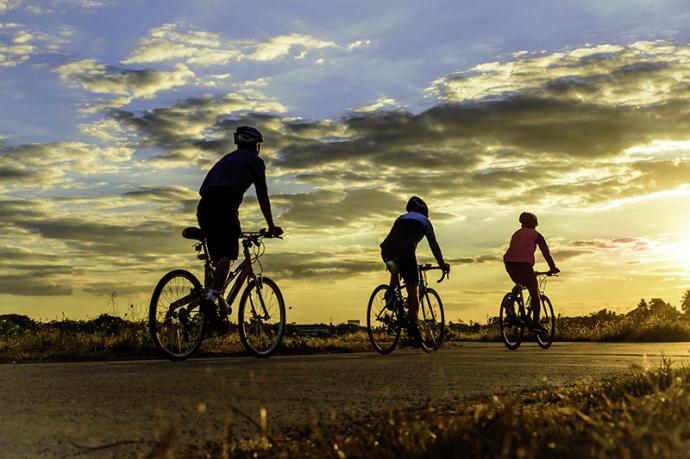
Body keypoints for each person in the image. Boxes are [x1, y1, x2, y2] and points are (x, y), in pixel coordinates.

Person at [196, 125, 283, 332]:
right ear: (255, 144)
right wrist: (271, 226)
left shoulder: (226, 159)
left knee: (218, 261)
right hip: (224, 208)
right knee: (228, 254)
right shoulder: (255, 161)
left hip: (204, 208)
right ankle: (209, 300)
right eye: (259, 144)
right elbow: (262, 194)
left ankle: (209, 304)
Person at [380, 196, 450, 341]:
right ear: (425, 211)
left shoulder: (401, 218)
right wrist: (442, 264)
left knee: (397, 269)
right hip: (406, 253)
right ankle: (413, 326)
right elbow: (434, 245)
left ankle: (391, 293)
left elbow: (395, 240)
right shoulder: (424, 221)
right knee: (413, 290)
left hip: (386, 251)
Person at [503, 212, 559, 334]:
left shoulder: (516, 234)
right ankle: (535, 323)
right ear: (535, 223)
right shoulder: (536, 235)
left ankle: (510, 306)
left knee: (520, 282)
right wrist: (553, 267)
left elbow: (516, 251)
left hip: (509, 264)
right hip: (524, 265)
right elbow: (546, 253)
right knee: (534, 292)